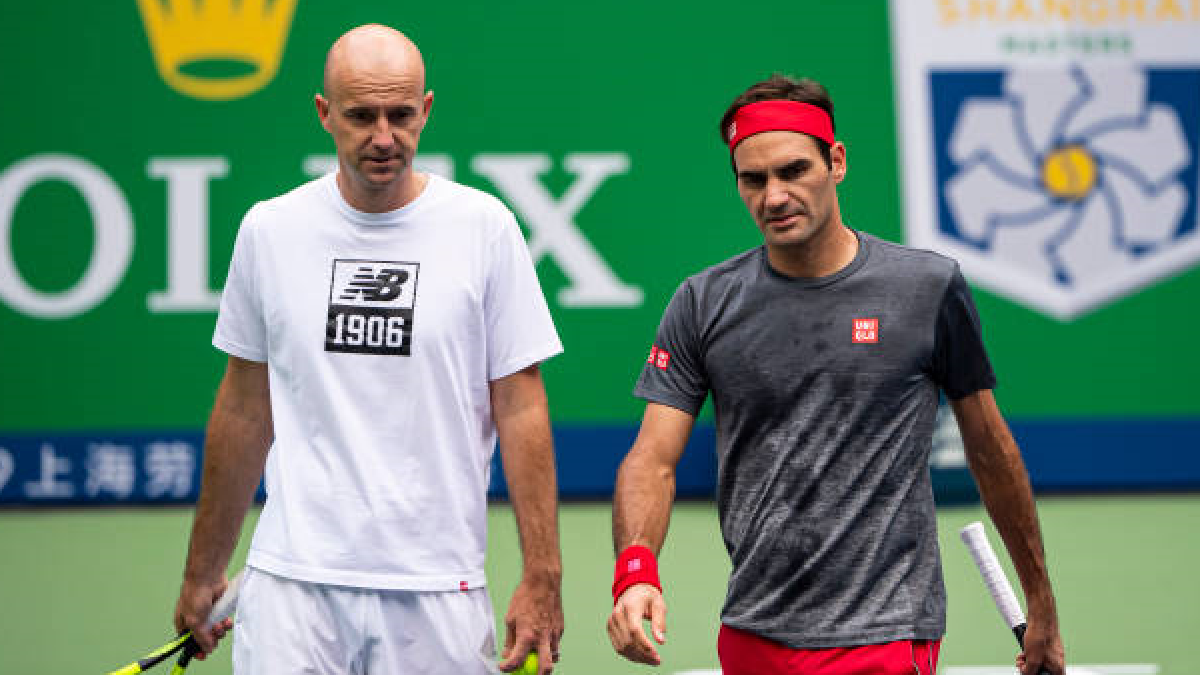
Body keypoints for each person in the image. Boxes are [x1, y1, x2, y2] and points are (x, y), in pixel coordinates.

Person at [606, 74, 1065, 675]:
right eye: (754, 178)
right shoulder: (701, 302)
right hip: (752, 630)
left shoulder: (927, 289)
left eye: (793, 170)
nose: (773, 196)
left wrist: (1042, 602)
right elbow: (652, 460)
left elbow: (989, 446)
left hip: (887, 633)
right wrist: (634, 572)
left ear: (836, 162)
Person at [172, 24, 564, 675]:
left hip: (439, 590)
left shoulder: (485, 228)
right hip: (293, 588)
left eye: (401, 115)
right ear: (324, 114)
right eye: (361, 116)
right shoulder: (270, 230)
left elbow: (521, 406)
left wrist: (542, 576)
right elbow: (244, 408)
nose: (384, 137)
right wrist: (202, 571)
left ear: (427, 110)